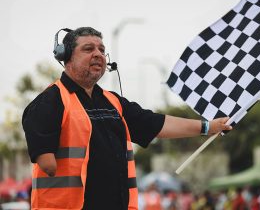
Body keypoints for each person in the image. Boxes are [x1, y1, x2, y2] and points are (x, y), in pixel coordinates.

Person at [22, 27, 232, 210]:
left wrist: (208, 126)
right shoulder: (49, 102)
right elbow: (47, 163)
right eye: (88, 49)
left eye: (102, 50)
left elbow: (155, 123)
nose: (98, 54)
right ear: (66, 56)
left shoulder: (113, 102)